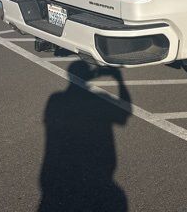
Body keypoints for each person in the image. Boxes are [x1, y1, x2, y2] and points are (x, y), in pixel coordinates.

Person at [38, 61, 130, 212]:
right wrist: (118, 78)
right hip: (98, 171)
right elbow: (123, 116)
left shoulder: (55, 99)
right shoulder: (98, 97)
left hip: (55, 169)